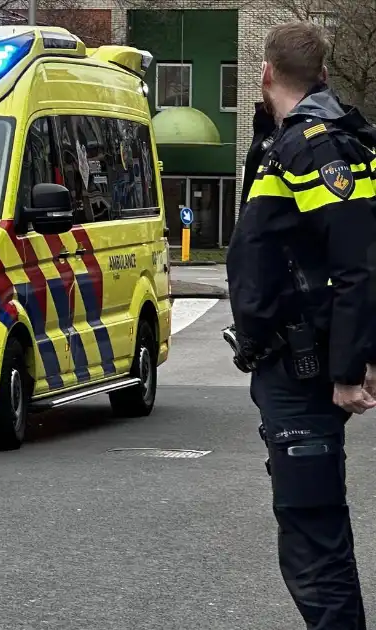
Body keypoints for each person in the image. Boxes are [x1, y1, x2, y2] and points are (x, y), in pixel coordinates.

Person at [225, 20, 376, 629]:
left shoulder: (316, 147)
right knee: (308, 533)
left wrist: (348, 369)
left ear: (265, 74)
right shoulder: (292, 140)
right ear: (320, 73)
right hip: (290, 362)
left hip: (305, 369)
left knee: (314, 539)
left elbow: (359, 264)